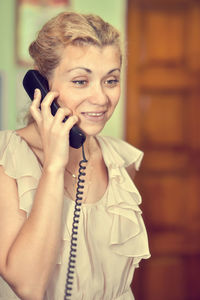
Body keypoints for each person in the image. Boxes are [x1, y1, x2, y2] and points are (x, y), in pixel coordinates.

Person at [0, 12, 150, 300]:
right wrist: (54, 166)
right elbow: (28, 287)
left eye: (111, 80)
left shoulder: (121, 161)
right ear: (40, 86)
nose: (102, 98)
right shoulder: (7, 161)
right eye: (81, 81)